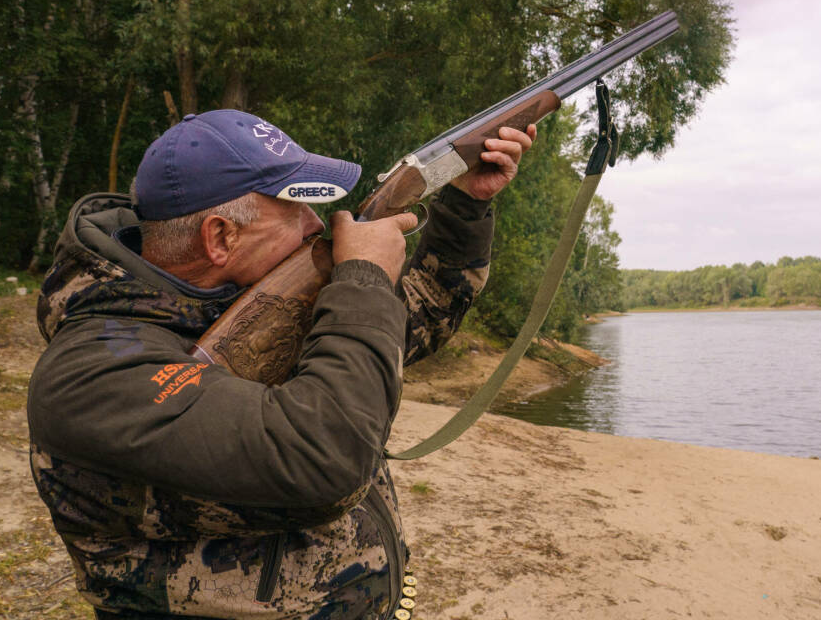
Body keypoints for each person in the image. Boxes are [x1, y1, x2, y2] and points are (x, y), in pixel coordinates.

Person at [27, 109, 535, 619]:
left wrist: (465, 204)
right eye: (298, 207)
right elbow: (326, 460)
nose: (319, 224)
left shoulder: (252, 301)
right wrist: (361, 278)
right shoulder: (90, 378)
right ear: (220, 236)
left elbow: (417, 318)